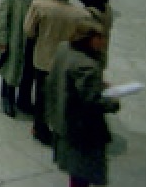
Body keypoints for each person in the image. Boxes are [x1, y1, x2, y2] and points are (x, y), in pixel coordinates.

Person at [46, 18, 120, 187]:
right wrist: (113, 102)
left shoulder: (64, 49)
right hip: (82, 129)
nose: (103, 41)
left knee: (76, 170)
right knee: (83, 170)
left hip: (63, 118)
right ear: (87, 38)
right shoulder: (87, 66)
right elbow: (92, 101)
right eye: (99, 37)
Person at [24, 0, 91, 144]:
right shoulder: (81, 13)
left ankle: (40, 128)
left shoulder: (39, 6)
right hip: (67, 60)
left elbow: (29, 31)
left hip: (44, 58)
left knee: (41, 95)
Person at [0, 0, 44, 117]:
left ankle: (24, 101)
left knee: (28, 72)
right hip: (14, 40)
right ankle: (7, 99)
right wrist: (2, 40)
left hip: (32, 42)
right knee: (10, 70)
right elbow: (2, 18)